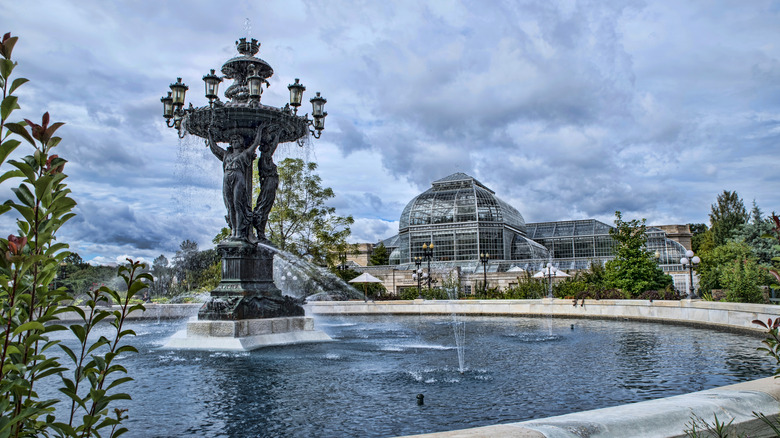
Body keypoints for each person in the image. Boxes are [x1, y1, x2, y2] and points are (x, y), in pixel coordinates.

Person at [207, 126, 264, 242]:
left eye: (237, 141)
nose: (234, 143)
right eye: (232, 141)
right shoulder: (226, 155)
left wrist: (259, 131)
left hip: (238, 177)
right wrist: (209, 135)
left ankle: (239, 231)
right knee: (230, 205)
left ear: (241, 142)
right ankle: (233, 231)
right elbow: (214, 148)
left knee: (238, 204)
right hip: (227, 177)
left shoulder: (244, 154)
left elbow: (255, 144)